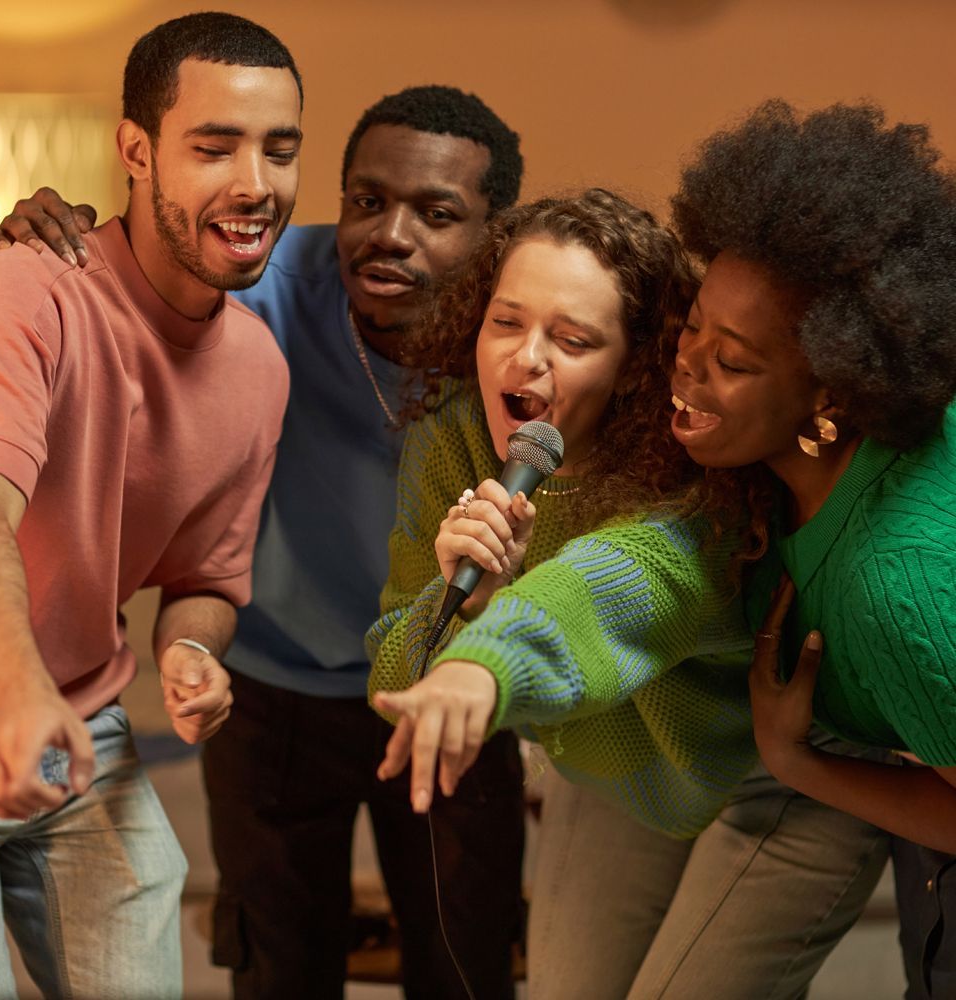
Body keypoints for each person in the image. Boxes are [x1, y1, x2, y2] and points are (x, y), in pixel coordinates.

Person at [0, 86, 526, 998]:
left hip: (452, 684)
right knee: (280, 973)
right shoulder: (261, 285)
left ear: (494, 235)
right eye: (366, 201)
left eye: (436, 214)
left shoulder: (519, 329)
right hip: (274, 693)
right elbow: (127, 290)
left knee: (467, 967)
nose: (388, 234)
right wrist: (54, 243)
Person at [369, 190, 889, 998]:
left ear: (637, 361)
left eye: (572, 339)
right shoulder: (457, 436)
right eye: (505, 321)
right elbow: (395, 672)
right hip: (621, 769)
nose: (525, 359)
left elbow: (621, 582)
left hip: (785, 775)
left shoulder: (699, 465)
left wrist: (485, 664)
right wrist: (462, 607)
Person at [0, 12, 299, 999]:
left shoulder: (259, 372)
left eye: (279, 149)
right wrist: (19, 701)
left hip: (84, 732)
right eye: (214, 145)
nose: (255, 184)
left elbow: (204, 576)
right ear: (136, 152)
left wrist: (193, 649)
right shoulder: (24, 295)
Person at [665, 99, 956, 999]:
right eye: (693, 328)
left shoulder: (889, 588)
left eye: (736, 361)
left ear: (831, 385)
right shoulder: (813, 468)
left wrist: (798, 764)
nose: (690, 367)